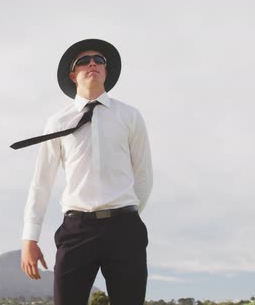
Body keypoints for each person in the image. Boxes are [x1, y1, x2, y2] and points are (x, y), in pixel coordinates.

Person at [13, 39, 153, 304]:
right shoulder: (58, 122)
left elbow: (144, 176)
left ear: (106, 71)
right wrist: (29, 237)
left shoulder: (130, 116)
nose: (93, 63)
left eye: (99, 60)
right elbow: (41, 183)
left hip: (125, 230)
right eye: (84, 61)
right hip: (77, 229)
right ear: (72, 75)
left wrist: (127, 214)